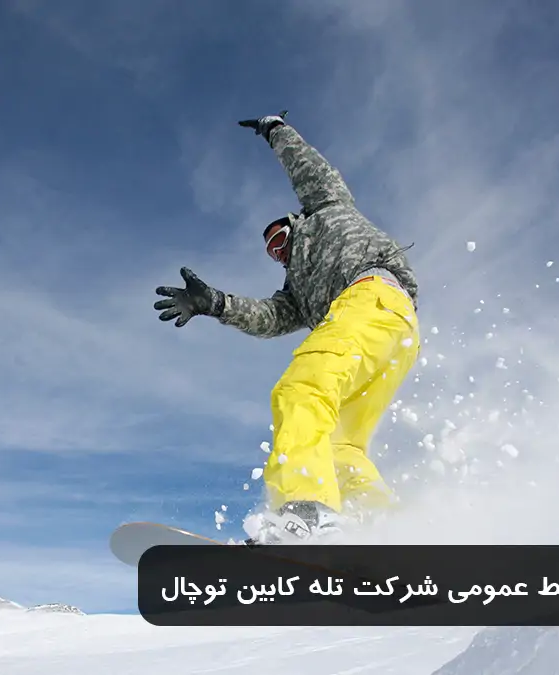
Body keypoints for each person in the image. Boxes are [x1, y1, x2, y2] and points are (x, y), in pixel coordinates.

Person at [153, 111, 421, 545]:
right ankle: (391, 534)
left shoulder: (328, 209)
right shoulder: (298, 291)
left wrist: (276, 129)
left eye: (279, 240)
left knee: (299, 391)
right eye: (271, 253)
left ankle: (307, 514)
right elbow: (270, 318)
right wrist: (216, 304)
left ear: (295, 226)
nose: (278, 253)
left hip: (369, 297)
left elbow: (308, 168)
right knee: (341, 448)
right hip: (394, 332)